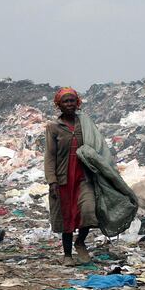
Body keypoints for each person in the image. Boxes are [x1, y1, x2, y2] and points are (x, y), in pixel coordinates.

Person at [44, 88, 99, 266]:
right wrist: (52, 181)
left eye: (72, 101)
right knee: (66, 216)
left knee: (89, 210)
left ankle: (80, 241)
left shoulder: (85, 124)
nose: (69, 104)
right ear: (58, 105)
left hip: (84, 176)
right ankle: (67, 255)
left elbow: (96, 146)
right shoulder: (53, 127)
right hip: (63, 178)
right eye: (65, 102)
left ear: (78, 103)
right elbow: (50, 156)